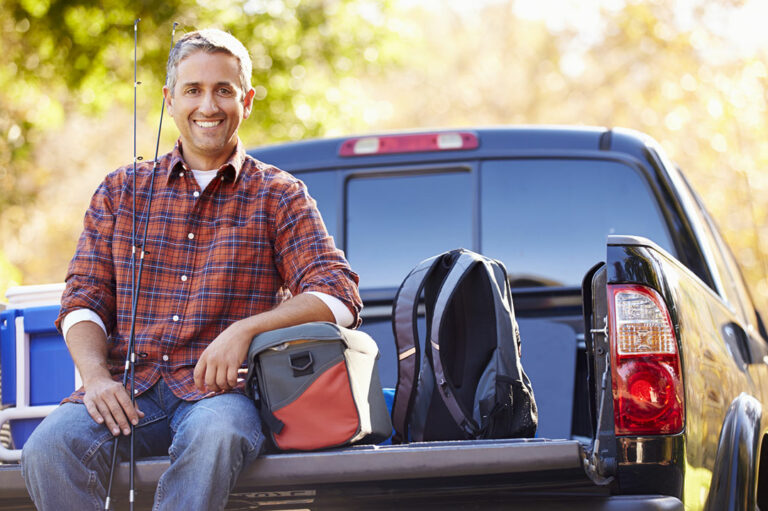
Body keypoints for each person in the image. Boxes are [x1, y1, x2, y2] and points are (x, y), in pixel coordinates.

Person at [21, 29, 362, 510]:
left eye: (224, 90)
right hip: (126, 392)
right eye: (193, 90)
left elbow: (339, 295)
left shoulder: (279, 194)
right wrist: (96, 378)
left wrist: (245, 331)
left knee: (217, 435)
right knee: (47, 448)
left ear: (246, 100)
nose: (209, 105)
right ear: (169, 99)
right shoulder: (120, 191)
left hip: (220, 399)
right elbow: (83, 299)